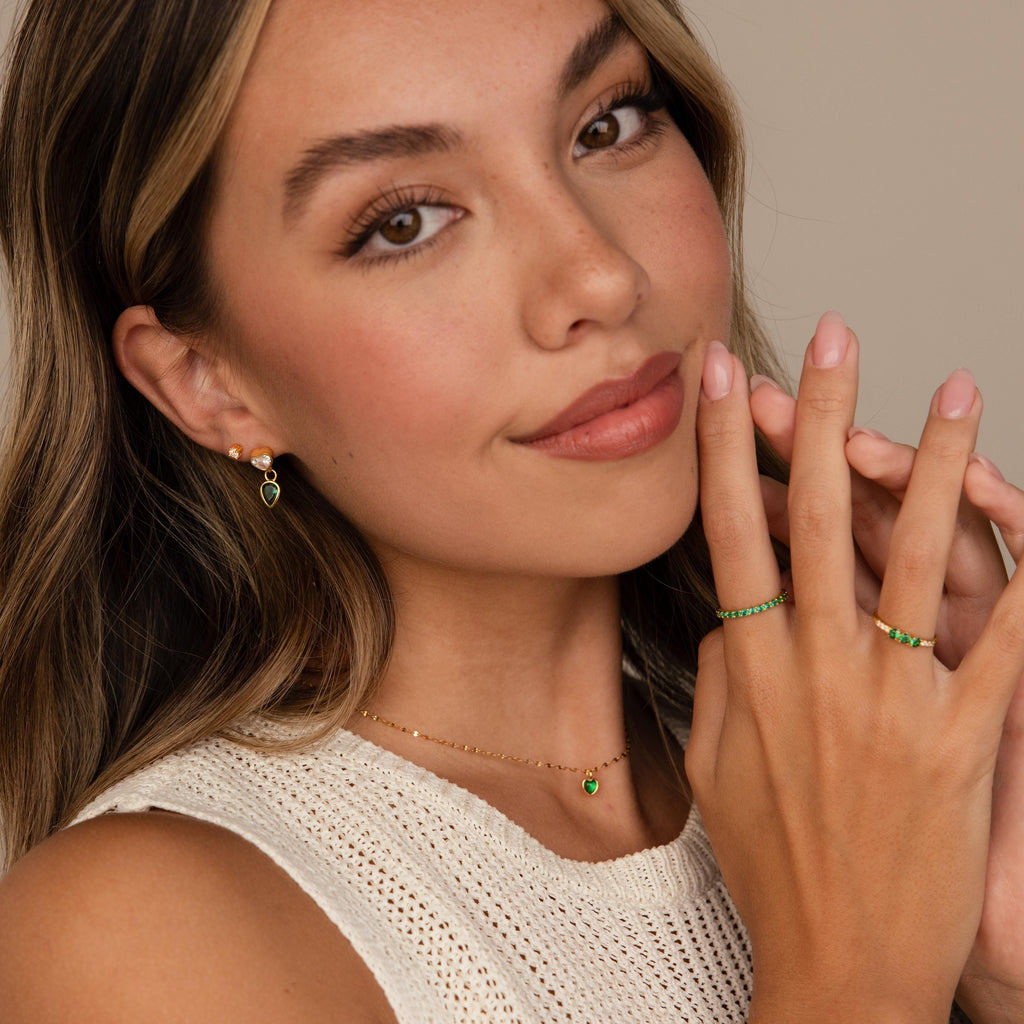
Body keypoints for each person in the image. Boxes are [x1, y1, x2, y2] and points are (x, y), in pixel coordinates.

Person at [0, 0, 1021, 1021]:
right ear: (207, 381)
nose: (600, 273)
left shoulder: (859, 774)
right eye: (403, 222)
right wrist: (857, 967)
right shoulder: (135, 935)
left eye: (607, 124)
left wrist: (989, 947)